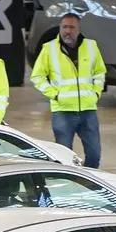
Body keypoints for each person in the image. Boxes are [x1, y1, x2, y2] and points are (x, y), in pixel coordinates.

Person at [30, 13, 106, 167]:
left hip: (88, 110)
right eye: (64, 27)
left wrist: (96, 93)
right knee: (65, 158)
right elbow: (37, 76)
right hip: (63, 112)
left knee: (94, 154)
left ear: (78, 30)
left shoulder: (91, 46)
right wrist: (55, 95)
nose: (67, 31)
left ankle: (90, 183)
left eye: (72, 27)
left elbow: (100, 72)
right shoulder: (49, 49)